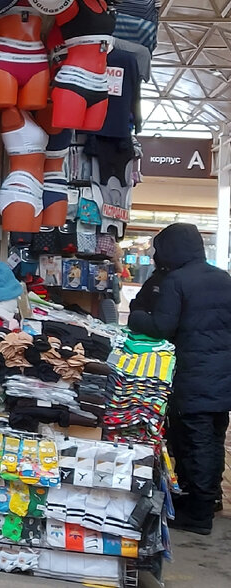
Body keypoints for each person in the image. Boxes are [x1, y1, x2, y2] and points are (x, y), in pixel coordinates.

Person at [127, 222, 231, 534]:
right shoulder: (223, 278)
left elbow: (162, 326)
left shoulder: (176, 280)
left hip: (192, 375)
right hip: (222, 375)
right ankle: (209, 502)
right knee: (213, 441)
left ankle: (197, 515)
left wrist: (136, 317)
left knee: (194, 444)